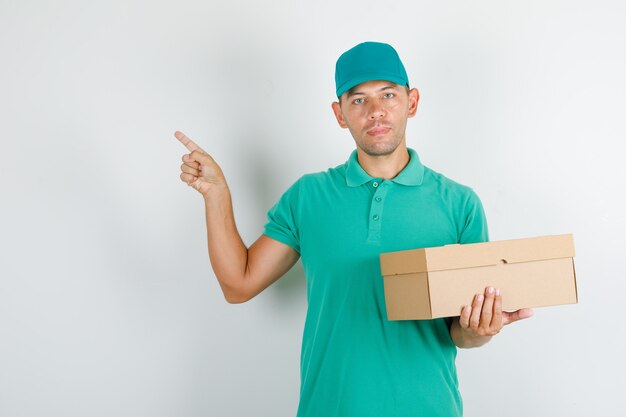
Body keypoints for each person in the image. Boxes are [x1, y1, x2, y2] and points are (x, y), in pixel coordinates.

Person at [175, 41, 533, 417]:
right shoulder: (309, 196)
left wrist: (479, 330)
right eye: (358, 100)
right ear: (340, 113)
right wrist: (217, 195)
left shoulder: (459, 204)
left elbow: (460, 332)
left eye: (388, 95)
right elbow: (238, 283)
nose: (376, 112)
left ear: (411, 102)